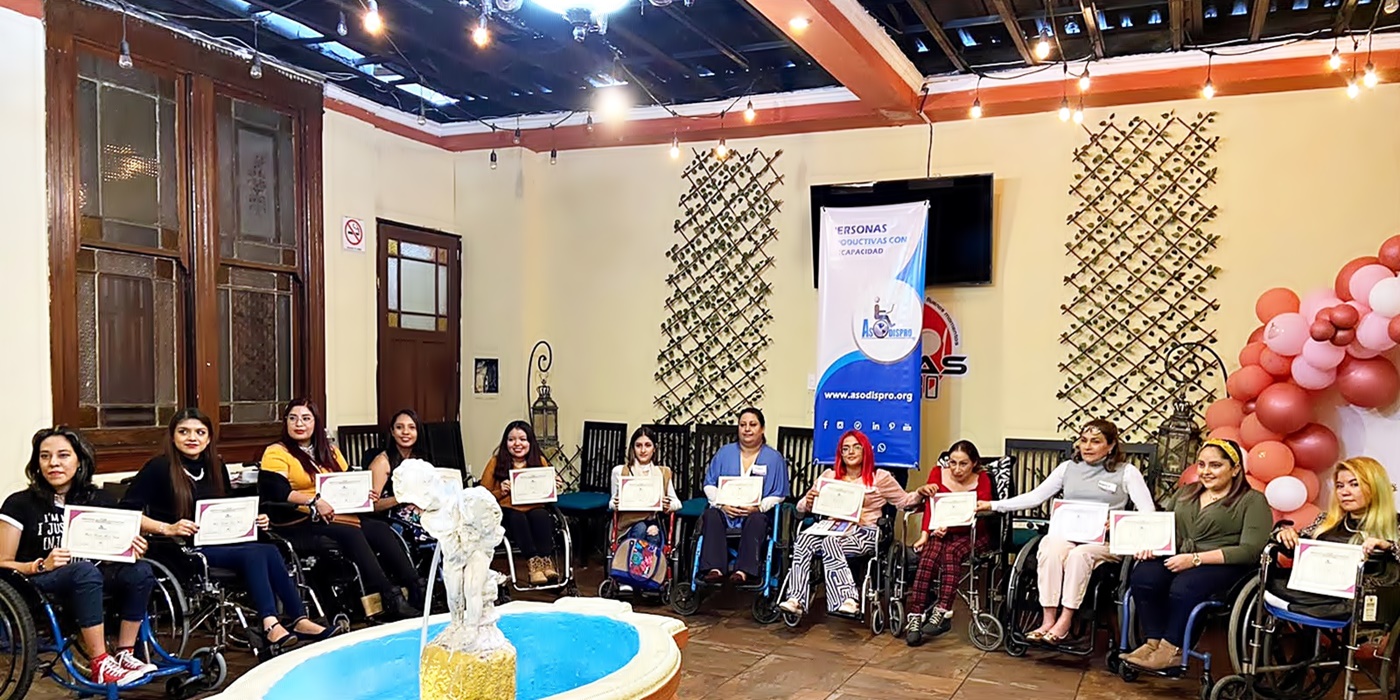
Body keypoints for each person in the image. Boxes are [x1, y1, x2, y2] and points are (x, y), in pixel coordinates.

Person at [122, 408, 335, 654]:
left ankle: (300, 619)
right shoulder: (158, 468)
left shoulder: (215, 466)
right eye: (184, 432)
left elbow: (229, 507)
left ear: (209, 438)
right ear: (172, 436)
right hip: (181, 549)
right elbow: (128, 513)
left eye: (200, 432)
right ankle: (270, 624)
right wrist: (167, 528)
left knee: (268, 549)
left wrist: (254, 520)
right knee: (255, 554)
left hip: (219, 541)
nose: (192, 438)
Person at [0, 427, 157, 686]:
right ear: (36, 463)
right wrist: (41, 564)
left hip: (88, 579)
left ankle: (124, 653)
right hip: (37, 582)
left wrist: (129, 548)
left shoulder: (97, 499)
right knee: (84, 571)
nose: (53, 463)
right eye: (45, 456)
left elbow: (110, 552)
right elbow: (3, 563)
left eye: (63, 455)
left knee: (139, 570)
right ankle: (100, 664)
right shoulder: (19, 503)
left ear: (79, 460)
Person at [975, 418, 1155, 644]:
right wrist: (993, 505)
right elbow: (1035, 497)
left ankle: (1066, 619)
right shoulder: (1067, 468)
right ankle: (1048, 619)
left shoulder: (1127, 472)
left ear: (1110, 446)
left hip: (1104, 541)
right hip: (1068, 536)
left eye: (1096, 441)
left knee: (1079, 556)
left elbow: (1148, 512)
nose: (1087, 446)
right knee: (1050, 548)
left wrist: (1119, 520)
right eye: (1083, 440)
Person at [259, 399, 422, 619]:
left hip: (335, 516)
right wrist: (314, 501)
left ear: (316, 423)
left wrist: (365, 494)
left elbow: (349, 481)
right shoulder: (276, 452)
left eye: (306, 419)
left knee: (380, 529)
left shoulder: (330, 451)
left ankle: (415, 588)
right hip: (297, 519)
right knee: (351, 532)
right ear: (286, 422)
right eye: (293, 418)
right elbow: (277, 492)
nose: (299, 424)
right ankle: (389, 597)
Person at [1123, 438, 1270, 670]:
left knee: (1185, 586)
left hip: (1225, 564)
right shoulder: (1186, 493)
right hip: (1181, 556)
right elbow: (1163, 527)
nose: (1206, 471)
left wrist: (1195, 559)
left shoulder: (1252, 501)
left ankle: (1170, 649)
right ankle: (1152, 642)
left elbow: (1250, 550)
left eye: (1215, 465)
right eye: (1201, 465)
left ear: (1235, 469)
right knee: (1144, 576)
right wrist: (1150, 546)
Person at [778, 430, 934, 618]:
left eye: (856, 447)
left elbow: (905, 501)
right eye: (845, 448)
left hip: (865, 530)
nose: (850, 452)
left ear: (865, 450)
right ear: (840, 454)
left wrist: (920, 492)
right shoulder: (829, 475)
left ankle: (849, 599)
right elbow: (801, 508)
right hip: (831, 528)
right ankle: (796, 599)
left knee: (830, 543)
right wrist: (808, 500)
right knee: (803, 539)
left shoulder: (880, 478)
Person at [1266, 457, 1399, 619]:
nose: (1344, 492)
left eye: (1354, 484)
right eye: (1340, 486)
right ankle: (1305, 606)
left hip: (1365, 595)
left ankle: (1294, 606)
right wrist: (1284, 534)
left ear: (1376, 487)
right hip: (1323, 586)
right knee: (1270, 581)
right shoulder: (1326, 521)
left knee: (1352, 603)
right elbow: (1296, 544)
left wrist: (1387, 545)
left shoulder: (1395, 524)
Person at [905, 440, 995, 646]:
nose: (956, 469)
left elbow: (982, 511)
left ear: (974, 463)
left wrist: (950, 526)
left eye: (963, 464)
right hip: (941, 531)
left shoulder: (983, 479)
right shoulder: (937, 473)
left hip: (973, 534)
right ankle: (916, 616)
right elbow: (930, 506)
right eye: (952, 462)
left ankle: (943, 611)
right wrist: (926, 534)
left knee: (951, 553)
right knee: (928, 557)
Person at [699, 407, 791, 585]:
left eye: (753, 424)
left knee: (757, 519)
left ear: (762, 429)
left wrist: (758, 508)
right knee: (710, 515)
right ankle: (715, 569)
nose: (747, 429)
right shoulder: (724, 453)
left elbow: (779, 493)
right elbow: (709, 484)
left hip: (756, 514)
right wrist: (721, 504)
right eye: (743, 425)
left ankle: (743, 571)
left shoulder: (774, 458)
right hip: (726, 512)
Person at [479, 421, 566, 586]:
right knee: (518, 517)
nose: (517, 444)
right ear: (506, 443)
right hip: (507, 510)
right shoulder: (495, 463)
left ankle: (546, 562)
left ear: (530, 442)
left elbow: (547, 496)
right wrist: (501, 491)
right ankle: (533, 563)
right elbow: (482, 496)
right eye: (511, 440)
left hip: (535, 508)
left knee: (541, 515)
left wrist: (552, 484)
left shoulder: (539, 461)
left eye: (522, 439)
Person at [368, 408, 436, 540]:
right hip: (396, 521)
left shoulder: (422, 458)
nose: (405, 432)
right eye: (399, 427)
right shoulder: (382, 462)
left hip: (425, 513)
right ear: (392, 432)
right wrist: (401, 498)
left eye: (412, 428)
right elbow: (372, 505)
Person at [609, 426, 681, 544]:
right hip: (628, 525)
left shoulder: (663, 473)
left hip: (652, 522)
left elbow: (677, 503)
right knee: (641, 528)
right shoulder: (620, 471)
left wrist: (668, 506)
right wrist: (615, 503)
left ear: (654, 448)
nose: (643, 450)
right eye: (638, 446)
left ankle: (645, 562)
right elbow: (611, 503)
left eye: (648, 445)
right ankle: (636, 561)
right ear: (633, 448)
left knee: (652, 532)